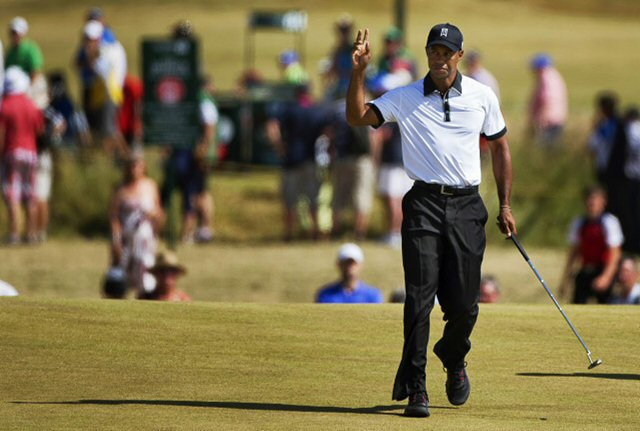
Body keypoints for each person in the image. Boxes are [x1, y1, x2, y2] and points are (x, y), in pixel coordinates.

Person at [347, 23, 516, 417]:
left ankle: (453, 357)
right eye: (433, 52)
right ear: (427, 55)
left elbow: (501, 148)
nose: (439, 59)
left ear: (459, 56)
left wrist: (505, 205)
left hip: (467, 206)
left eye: (446, 53)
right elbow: (357, 117)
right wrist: (358, 72)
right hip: (423, 203)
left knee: (465, 305)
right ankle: (417, 387)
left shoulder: (481, 96)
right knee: (419, 301)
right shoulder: (405, 96)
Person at [265, 83, 328, 241]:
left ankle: (289, 234)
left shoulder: (288, 109)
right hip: (310, 159)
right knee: (313, 199)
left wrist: (279, 146)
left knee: (290, 200)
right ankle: (315, 232)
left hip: (291, 159)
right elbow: (328, 132)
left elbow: (272, 127)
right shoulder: (316, 111)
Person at [109, 149, 164, 297]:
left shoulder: (150, 186)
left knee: (146, 276)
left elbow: (159, 213)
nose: (135, 169)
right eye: (132, 165)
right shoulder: (121, 189)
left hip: (145, 239)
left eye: (138, 165)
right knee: (122, 275)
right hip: (127, 238)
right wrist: (116, 240)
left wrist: (155, 217)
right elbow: (114, 217)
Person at [0, 66, 44, 244]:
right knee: (30, 194)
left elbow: (1, 133)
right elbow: (40, 130)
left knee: (13, 195)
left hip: (12, 151)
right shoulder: (31, 105)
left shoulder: (5, 106)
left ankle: (14, 233)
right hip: (31, 153)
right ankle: (31, 233)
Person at [559, 185, 623, 304]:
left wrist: (606, 277)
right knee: (578, 303)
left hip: (603, 269)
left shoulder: (609, 222)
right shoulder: (579, 223)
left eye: (595, 199)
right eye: (589, 199)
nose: (592, 203)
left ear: (603, 201)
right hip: (586, 270)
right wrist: (565, 280)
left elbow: (615, 254)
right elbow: (573, 253)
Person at [75, 19, 127, 157]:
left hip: (108, 96)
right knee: (107, 131)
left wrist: (91, 57)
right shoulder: (104, 48)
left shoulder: (108, 49)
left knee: (108, 133)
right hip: (99, 96)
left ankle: (118, 159)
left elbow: (102, 72)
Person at [316, 243, 383, 303]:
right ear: (338, 264)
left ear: (361, 264)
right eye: (346, 263)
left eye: (353, 263)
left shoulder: (373, 295)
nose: (350, 266)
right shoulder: (325, 295)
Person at [527, 53, 567, 148]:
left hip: (549, 122)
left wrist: (540, 119)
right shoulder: (554, 76)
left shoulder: (546, 78)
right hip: (556, 120)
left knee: (547, 148)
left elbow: (546, 99)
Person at [5, 17, 47, 109]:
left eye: (16, 33)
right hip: (16, 86)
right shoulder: (10, 52)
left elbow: (36, 71)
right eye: (12, 32)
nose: (14, 36)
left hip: (32, 85)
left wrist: (26, 88)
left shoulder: (31, 49)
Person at [324, 13, 355, 100]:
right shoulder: (336, 51)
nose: (343, 33)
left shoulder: (355, 50)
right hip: (339, 89)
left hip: (353, 89)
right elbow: (331, 72)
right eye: (341, 30)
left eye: (346, 30)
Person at [623, 107, 640, 253]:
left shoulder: (631, 129)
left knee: (633, 212)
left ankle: (634, 243)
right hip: (634, 177)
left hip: (634, 177)